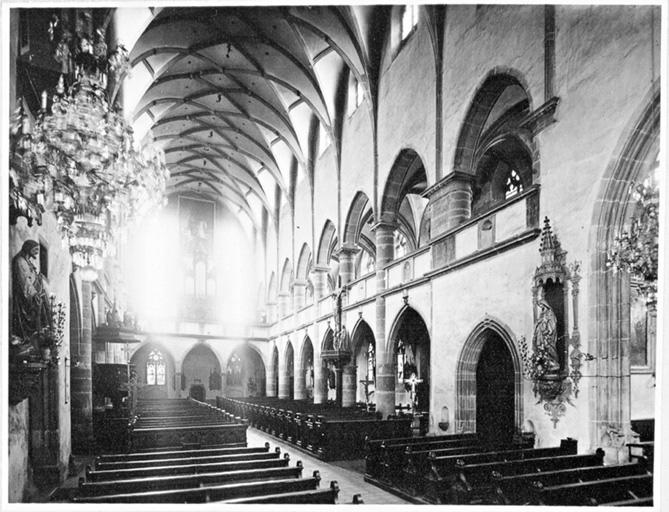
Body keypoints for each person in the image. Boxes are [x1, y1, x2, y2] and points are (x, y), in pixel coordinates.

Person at [12, 240, 52, 350]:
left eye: (38, 250)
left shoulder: (28, 262)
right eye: (35, 250)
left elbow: (33, 278)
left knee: (43, 317)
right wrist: (34, 294)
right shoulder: (20, 261)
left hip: (35, 296)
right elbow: (24, 281)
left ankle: (37, 339)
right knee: (31, 321)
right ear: (28, 249)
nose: (37, 253)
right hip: (26, 299)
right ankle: (27, 341)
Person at [533, 299, 561, 372]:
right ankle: (547, 363)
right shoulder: (542, 314)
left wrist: (548, 330)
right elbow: (539, 323)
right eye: (540, 305)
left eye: (541, 305)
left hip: (548, 335)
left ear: (545, 305)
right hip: (542, 334)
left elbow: (553, 324)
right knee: (543, 348)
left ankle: (554, 362)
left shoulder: (550, 313)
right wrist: (540, 323)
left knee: (550, 347)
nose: (541, 306)